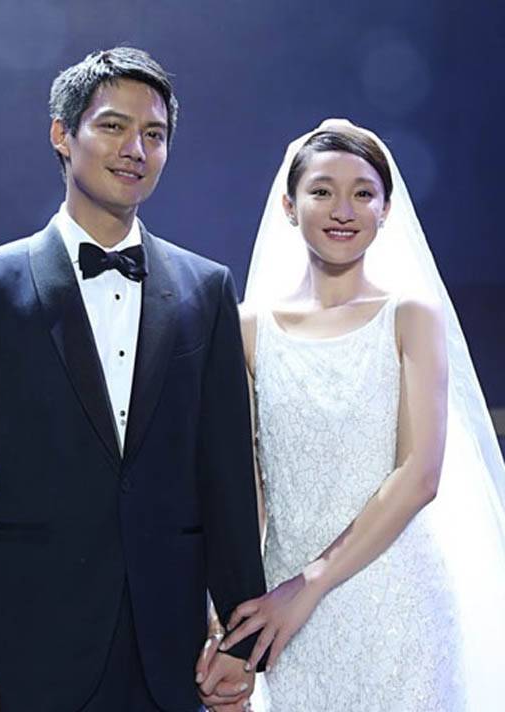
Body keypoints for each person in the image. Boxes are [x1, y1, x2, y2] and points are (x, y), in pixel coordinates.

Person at [0, 47, 266, 712]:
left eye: (154, 134)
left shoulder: (207, 288)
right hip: (28, 650)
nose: (135, 149)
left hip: (172, 656)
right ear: (62, 133)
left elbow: (224, 474)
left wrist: (239, 639)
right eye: (113, 126)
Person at [197, 120, 505, 710]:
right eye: (322, 191)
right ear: (289, 206)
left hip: (396, 606)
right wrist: (226, 621)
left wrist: (310, 583)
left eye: (363, 193)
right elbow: (249, 488)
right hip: (283, 617)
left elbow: (420, 475)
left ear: (386, 210)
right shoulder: (248, 328)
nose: (343, 210)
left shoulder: (410, 316)